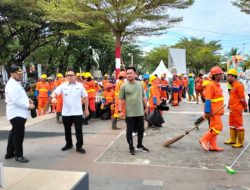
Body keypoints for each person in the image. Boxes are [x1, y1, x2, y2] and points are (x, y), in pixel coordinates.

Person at [51, 68, 89, 154]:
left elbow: (86, 97)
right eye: (68, 75)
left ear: (75, 76)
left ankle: (79, 146)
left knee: (78, 130)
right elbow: (55, 93)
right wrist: (53, 98)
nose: (69, 77)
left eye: (71, 75)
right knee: (67, 130)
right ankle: (69, 144)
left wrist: (86, 110)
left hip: (77, 112)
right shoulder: (63, 85)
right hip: (66, 112)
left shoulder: (80, 86)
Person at [5, 65, 35, 163]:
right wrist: (28, 105)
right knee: (18, 135)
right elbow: (16, 100)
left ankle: (9, 153)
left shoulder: (15, 83)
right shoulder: (12, 85)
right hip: (16, 113)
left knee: (14, 133)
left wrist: (28, 99)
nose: (20, 75)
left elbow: (20, 96)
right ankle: (18, 155)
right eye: (18, 74)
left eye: (21, 73)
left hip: (18, 113)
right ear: (12, 74)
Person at [119, 67, 149, 155]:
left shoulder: (140, 84)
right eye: (127, 73)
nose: (129, 75)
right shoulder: (124, 86)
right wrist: (120, 111)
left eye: (130, 73)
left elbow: (143, 96)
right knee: (129, 131)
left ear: (135, 74)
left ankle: (139, 145)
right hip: (130, 114)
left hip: (140, 112)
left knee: (141, 130)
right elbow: (120, 99)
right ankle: (131, 147)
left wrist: (146, 107)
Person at [199, 66, 224, 152]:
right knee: (218, 127)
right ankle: (204, 139)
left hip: (218, 111)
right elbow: (208, 99)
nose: (221, 76)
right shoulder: (210, 85)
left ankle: (213, 146)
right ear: (215, 75)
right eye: (220, 74)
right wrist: (207, 111)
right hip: (213, 111)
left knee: (213, 127)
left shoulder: (217, 85)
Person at [224, 69, 247, 148]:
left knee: (238, 125)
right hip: (232, 108)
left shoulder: (239, 85)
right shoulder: (233, 85)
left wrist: (245, 107)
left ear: (234, 77)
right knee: (232, 125)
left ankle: (240, 142)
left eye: (229, 76)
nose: (227, 78)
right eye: (227, 76)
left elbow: (242, 98)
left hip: (237, 109)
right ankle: (233, 139)